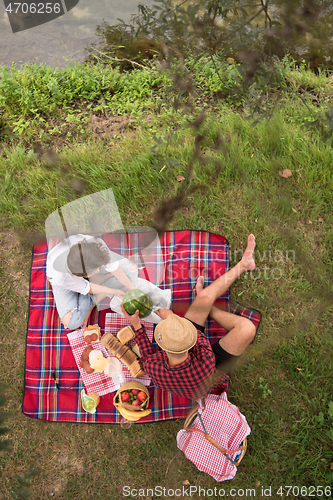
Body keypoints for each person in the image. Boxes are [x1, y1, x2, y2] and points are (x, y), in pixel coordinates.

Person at [120, 234, 257, 400]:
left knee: (205, 299)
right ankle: (213, 301)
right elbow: (195, 337)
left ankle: (244, 265)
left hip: (194, 366)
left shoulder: (153, 366)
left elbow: (147, 354)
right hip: (210, 373)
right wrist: (171, 317)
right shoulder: (206, 357)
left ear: (162, 345)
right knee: (247, 328)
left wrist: (137, 325)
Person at [47, 234, 138, 330]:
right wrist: (114, 291)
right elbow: (87, 288)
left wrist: (130, 286)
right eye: (97, 270)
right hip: (66, 279)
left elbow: (114, 266)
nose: (99, 270)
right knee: (72, 322)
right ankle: (94, 297)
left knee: (131, 269)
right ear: (84, 275)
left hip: (86, 267)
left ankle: (98, 282)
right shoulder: (61, 277)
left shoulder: (97, 245)